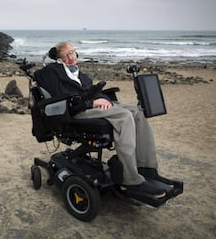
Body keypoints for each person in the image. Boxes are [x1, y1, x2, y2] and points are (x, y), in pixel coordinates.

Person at [35, 41, 166, 198]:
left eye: (73, 52)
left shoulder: (79, 75)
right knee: (124, 117)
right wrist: (92, 102)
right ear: (59, 58)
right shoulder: (51, 72)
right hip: (75, 111)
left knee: (137, 111)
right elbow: (61, 96)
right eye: (67, 55)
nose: (72, 57)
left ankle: (146, 167)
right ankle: (131, 179)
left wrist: (106, 101)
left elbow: (93, 91)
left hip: (90, 106)